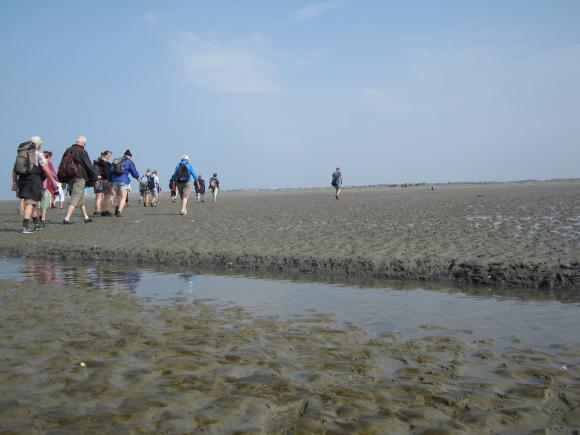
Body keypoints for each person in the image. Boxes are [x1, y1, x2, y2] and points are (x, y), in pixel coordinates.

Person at [12, 136, 59, 233]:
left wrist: (14, 183)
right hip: (34, 180)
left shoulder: (22, 153)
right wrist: (53, 181)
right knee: (31, 203)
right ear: (38, 144)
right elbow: (45, 168)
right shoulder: (38, 153)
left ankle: (36, 223)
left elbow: (14, 170)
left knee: (32, 203)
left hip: (23, 180)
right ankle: (25, 226)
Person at [61, 136, 99, 224]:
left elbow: (62, 164)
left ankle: (86, 217)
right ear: (83, 143)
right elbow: (88, 166)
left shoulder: (68, 150)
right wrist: (95, 179)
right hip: (79, 176)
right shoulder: (81, 151)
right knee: (76, 197)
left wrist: (62, 179)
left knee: (80, 197)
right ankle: (66, 219)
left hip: (69, 177)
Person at [110, 149, 139, 217]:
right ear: (130, 156)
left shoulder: (116, 160)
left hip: (114, 181)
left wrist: (109, 180)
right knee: (123, 197)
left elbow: (110, 170)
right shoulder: (129, 161)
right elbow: (133, 172)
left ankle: (116, 209)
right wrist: (137, 177)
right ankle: (119, 212)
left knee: (117, 196)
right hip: (123, 181)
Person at [40, 150, 58, 225]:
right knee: (46, 200)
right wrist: (58, 180)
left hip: (39, 184)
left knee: (42, 200)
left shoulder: (39, 162)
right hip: (47, 185)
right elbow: (52, 173)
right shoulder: (49, 163)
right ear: (49, 157)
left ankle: (41, 216)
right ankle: (43, 217)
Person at [93, 150, 113, 216]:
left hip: (98, 180)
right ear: (105, 155)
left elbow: (94, 171)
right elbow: (108, 173)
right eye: (109, 155)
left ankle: (96, 211)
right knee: (107, 195)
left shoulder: (96, 162)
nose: (110, 157)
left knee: (98, 196)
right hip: (104, 180)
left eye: (110, 156)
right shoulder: (107, 164)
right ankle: (104, 211)